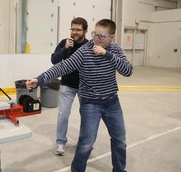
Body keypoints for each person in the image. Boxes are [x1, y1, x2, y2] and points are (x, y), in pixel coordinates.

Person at [26, 19, 133, 172]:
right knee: (86, 143)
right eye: (95, 34)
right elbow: (62, 66)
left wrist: (107, 55)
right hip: (90, 103)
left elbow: (128, 71)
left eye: (101, 36)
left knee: (120, 140)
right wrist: (39, 79)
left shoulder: (115, 50)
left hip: (112, 102)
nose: (96, 39)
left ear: (112, 37)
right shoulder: (84, 51)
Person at [51, 17, 88, 156]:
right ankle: (60, 142)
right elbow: (54, 60)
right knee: (63, 114)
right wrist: (65, 48)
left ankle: (85, 142)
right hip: (67, 85)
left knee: (86, 115)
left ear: (85, 31)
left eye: (78, 29)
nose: (75, 32)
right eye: (73, 29)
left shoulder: (89, 46)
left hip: (84, 85)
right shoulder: (64, 43)